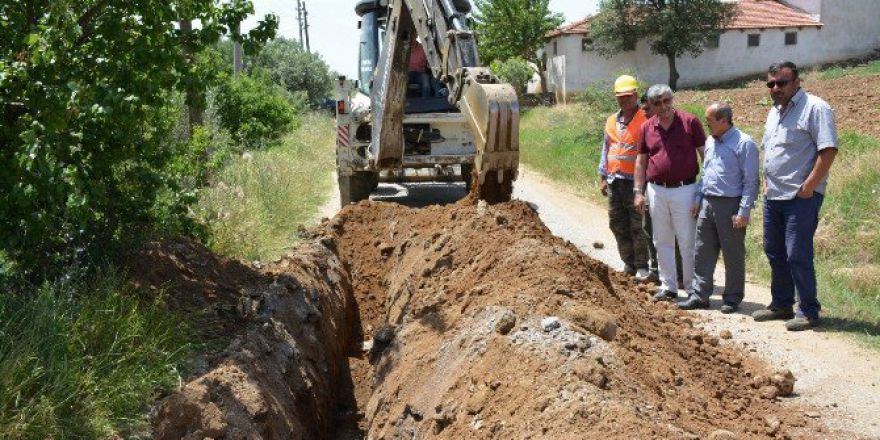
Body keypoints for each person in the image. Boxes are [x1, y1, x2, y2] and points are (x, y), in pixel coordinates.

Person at [753, 61, 838, 331]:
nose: (775, 88)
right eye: (771, 83)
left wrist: (809, 186)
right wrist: (766, 181)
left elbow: (828, 151)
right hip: (774, 196)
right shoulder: (774, 112)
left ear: (797, 82)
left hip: (800, 197)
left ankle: (808, 310)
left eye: (782, 82)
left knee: (797, 254)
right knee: (774, 251)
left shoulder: (815, 108)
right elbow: (772, 152)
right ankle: (781, 304)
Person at [677, 102, 759, 313]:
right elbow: (706, 173)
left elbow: (751, 181)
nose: (706, 125)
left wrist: (744, 211)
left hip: (730, 204)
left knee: (732, 253)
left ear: (723, 120)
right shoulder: (710, 142)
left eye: (709, 121)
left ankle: (732, 298)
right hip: (708, 202)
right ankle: (700, 295)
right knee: (702, 250)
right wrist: (698, 197)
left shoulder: (744, 143)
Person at [634, 84, 706, 302]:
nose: (663, 106)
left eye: (666, 101)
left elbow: (706, 157)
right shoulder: (647, 127)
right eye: (657, 103)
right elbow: (641, 161)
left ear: (672, 100)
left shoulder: (690, 122)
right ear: (651, 105)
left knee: (687, 240)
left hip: (685, 189)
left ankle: (693, 288)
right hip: (656, 189)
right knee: (661, 240)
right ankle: (669, 286)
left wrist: (701, 192)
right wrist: (638, 191)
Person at [598, 75, 651, 281]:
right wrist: (603, 175)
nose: (624, 100)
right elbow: (606, 148)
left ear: (636, 95)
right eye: (620, 97)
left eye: (628, 96)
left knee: (638, 224)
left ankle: (642, 266)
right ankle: (628, 263)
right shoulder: (612, 120)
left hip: (636, 182)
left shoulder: (645, 120)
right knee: (617, 223)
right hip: (615, 180)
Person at [640, 94, 685, 287]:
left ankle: (682, 276)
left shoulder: (683, 124)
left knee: (676, 234)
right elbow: (641, 161)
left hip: (678, 189)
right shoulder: (646, 129)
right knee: (651, 231)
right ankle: (658, 272)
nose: (645, 112)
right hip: (652, 187)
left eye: (648, 108)